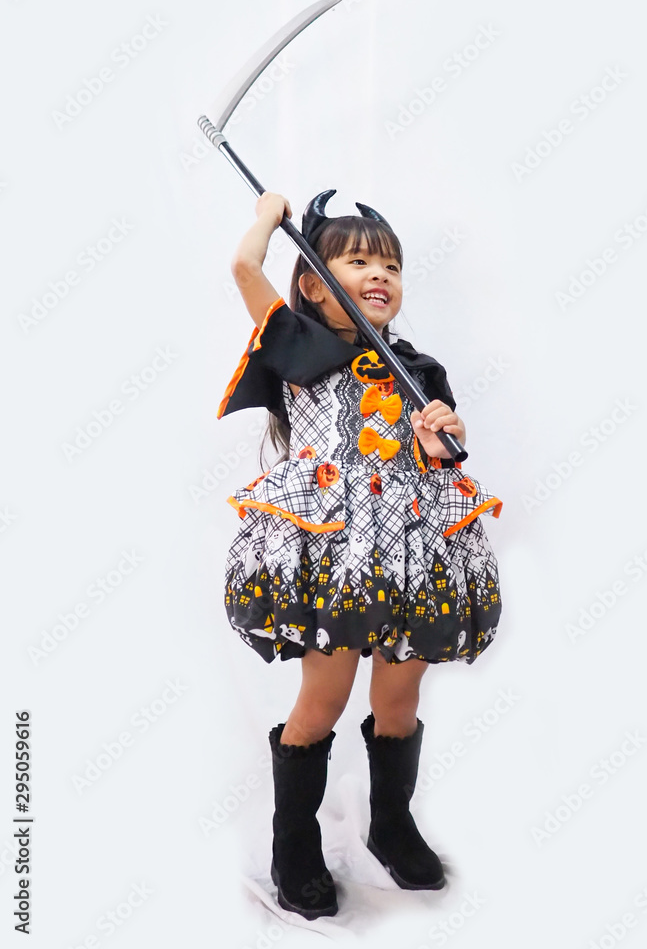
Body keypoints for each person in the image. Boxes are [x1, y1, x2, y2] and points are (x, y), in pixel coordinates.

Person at [217, 188, 504, 920]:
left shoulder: (418, 370)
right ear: (313, 281)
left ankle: (392, 822)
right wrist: (267, 222)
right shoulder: (300, 347)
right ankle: (293, 842)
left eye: (391, 264)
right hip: (335, 551)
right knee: (326, 697)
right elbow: (245, 272)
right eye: (356, 260)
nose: (380, 274)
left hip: (409, 548)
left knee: (398, 697)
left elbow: (434, 462)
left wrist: (435, 440)